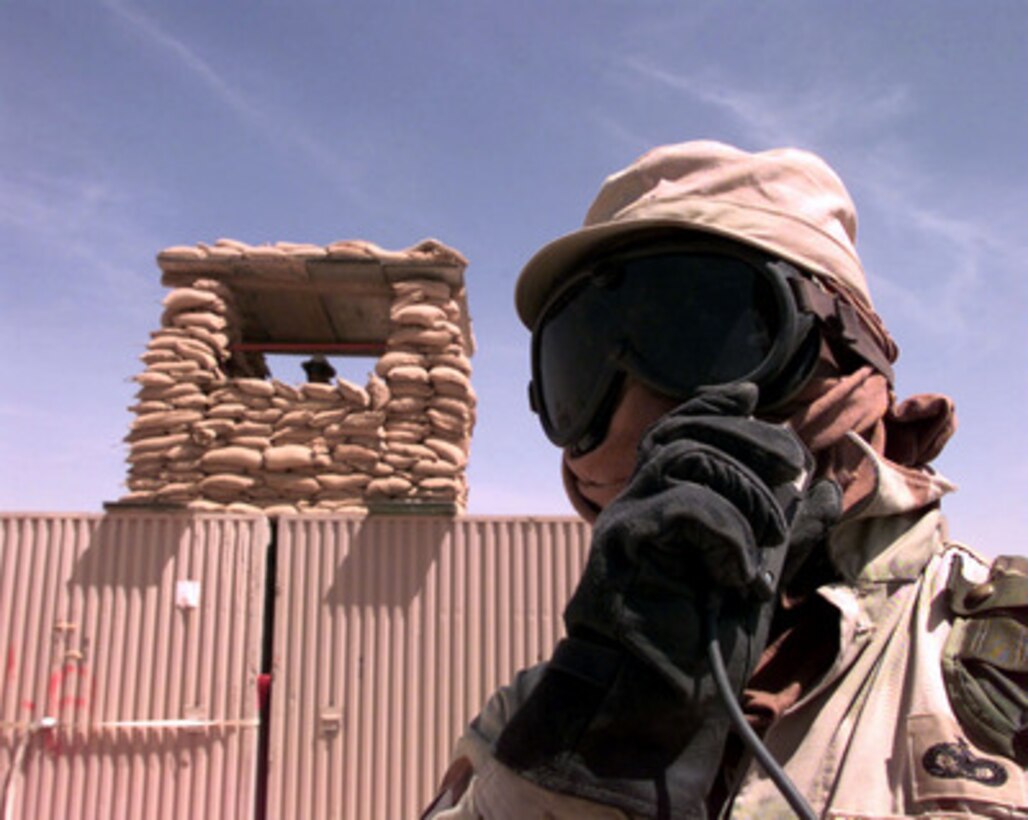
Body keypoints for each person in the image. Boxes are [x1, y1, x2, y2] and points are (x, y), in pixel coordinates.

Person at [423, 141, 1026, 818]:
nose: (639, 407)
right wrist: (582, 762)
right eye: (589, 359)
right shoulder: (539, 711)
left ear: (838, 346)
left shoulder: (1001, 674)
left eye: (703, 332)